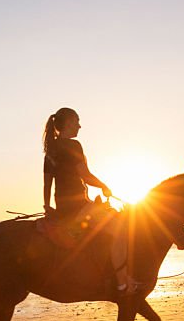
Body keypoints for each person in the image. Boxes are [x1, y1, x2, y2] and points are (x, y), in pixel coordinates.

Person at [42, 108, 138, 293]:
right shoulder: (73, 145)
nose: (79, 125)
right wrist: (104, 186)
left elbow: (47, 184)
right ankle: (123, 283)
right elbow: (85, 176)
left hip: (62, 207)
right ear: (68, 123)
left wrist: (48, 206)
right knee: (121, 230)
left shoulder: (51, 150)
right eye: (77, 121)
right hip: (80, 206)